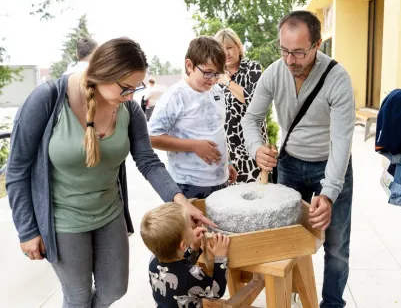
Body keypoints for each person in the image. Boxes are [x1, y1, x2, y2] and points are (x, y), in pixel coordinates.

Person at [6, 37, 214, 308]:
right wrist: (27, 231)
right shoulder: (47, 100)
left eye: (135, 88)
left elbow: (148, 161)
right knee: (78, 297)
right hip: (63, 220)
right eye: (125, 88)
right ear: (102, 73)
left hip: (109, 213)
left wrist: (183, 203)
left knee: (115, 289)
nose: (130, 96)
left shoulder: (128, 108)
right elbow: (17, 170)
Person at [242, 11, 355, 308]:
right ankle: (289, 297)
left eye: (299, 52)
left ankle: (332, 304)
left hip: (331, 165)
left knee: (336, 245)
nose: (290, 60)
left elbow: (342, 141)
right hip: (290, 164)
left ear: (318, 44)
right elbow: (251, 119)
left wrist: (329, 194)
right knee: (287, 239)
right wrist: (256, 149)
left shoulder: (338, 79)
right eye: (284, 50)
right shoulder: (274, 72)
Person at [149, 36, 237, 199]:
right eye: (208, 73)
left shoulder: (217, 91)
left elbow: (219, 131)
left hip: (221, 180)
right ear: (189, 65)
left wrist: (228, 163)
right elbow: (152, 138)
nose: (213, 79)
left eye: (218, 73)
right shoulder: (175, 96)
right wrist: (194, 145)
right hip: (188, 184)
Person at [141, 202, 230, 308]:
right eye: (189, 226)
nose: (193, 227)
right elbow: (217, 291)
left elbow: (178, 270)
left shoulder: (153, 261)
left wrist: (193, 249)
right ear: (183, 245)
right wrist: (220, 257)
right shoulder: (193, 274)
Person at [213, 28, 267, 183]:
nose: (227, 53)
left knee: (256, 195)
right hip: (228, 150)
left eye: (230, 47)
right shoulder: (214, 74)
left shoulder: (252, 68)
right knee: (232, 200)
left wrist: (227, 82)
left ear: (238, 47)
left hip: (252, 144)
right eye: (222, 50)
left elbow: (252, 100)